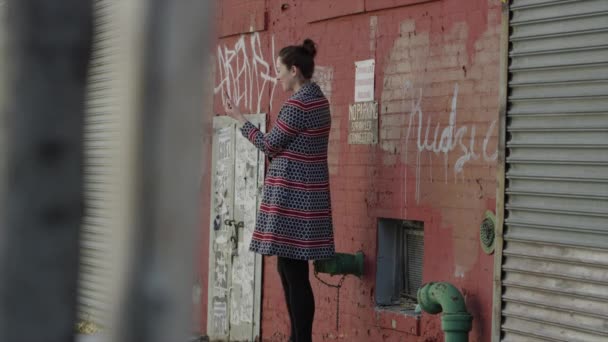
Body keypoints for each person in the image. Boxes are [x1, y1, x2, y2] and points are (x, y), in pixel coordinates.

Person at [223, 38, 335, 342]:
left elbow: (270, 144)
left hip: (293, 198)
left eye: (280, 71)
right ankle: (297, 337)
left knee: (292, 272)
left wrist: (240, 120)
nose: (278, 76)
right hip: (306, 196)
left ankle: (302, 339)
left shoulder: (299, 104)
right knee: (289, 271)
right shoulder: (319, 100)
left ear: (295, 70)